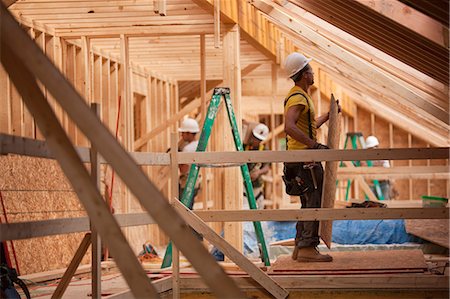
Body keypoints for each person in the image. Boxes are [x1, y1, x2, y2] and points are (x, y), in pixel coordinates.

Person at [283, 52, 340, 262]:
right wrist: (314, 146)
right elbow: (289, 127)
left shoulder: (299, 95)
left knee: (308, 202)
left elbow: (305, 128)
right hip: (304, 160)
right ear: (304, 74)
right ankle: (308, 248)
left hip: (301, 157)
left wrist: (326, 116)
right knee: (314, 200)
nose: (313, 73)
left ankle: (300, 246)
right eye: (310, 69)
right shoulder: (298, 97)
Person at [243, 123, 271, 210]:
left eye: (259, 139)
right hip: (244, 186)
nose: (256, 141)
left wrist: (258, 172)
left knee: (259, 210)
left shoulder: (264, 150)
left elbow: (267, 168)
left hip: (257, 187)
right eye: (255, 138)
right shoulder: (245, 148)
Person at [178, 117, 201, 209]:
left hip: (187, 183)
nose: (181, 135)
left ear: (189, 133)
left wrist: (178, 159)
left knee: (184, 212)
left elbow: (184, 170)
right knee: (189, 210)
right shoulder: (199, 145)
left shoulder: (187, 149)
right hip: (196, 182)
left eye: (183, 133)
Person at [365, 135, 394, 200]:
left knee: (384, 203)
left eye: (371, 149)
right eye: (368, 149)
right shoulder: (370, 157)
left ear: (376, 147)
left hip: (383, 184)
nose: (370, 151)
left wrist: (370, 165)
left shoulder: (382, 156)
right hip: (374, 183)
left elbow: (384, 169)